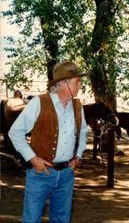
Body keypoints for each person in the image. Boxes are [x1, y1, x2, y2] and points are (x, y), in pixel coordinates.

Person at [8, 60, 88, 223]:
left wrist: (78, 157)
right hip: (40, 174)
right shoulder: (39, 102)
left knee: (61, 219)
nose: (79, 86)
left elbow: (83, 133)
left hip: (67, 174)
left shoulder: (77, 106)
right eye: (76, 82)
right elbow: (15, 132)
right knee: (32, 219)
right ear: (62, 83)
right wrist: (33, 158)